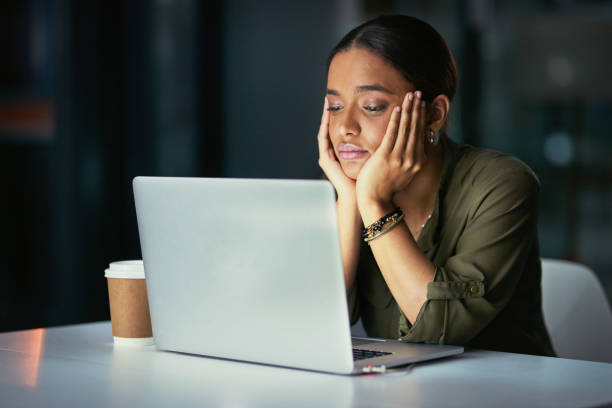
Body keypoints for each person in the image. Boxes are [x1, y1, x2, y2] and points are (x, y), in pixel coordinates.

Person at [317, 14, 555, 356]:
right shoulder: (347, 191)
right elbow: (318, 322)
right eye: (335, 107)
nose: (344, 128)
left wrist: (373, 203)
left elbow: (441, 329)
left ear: (434, 114)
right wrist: (350, 201)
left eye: (371, 106)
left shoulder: (502, 183)